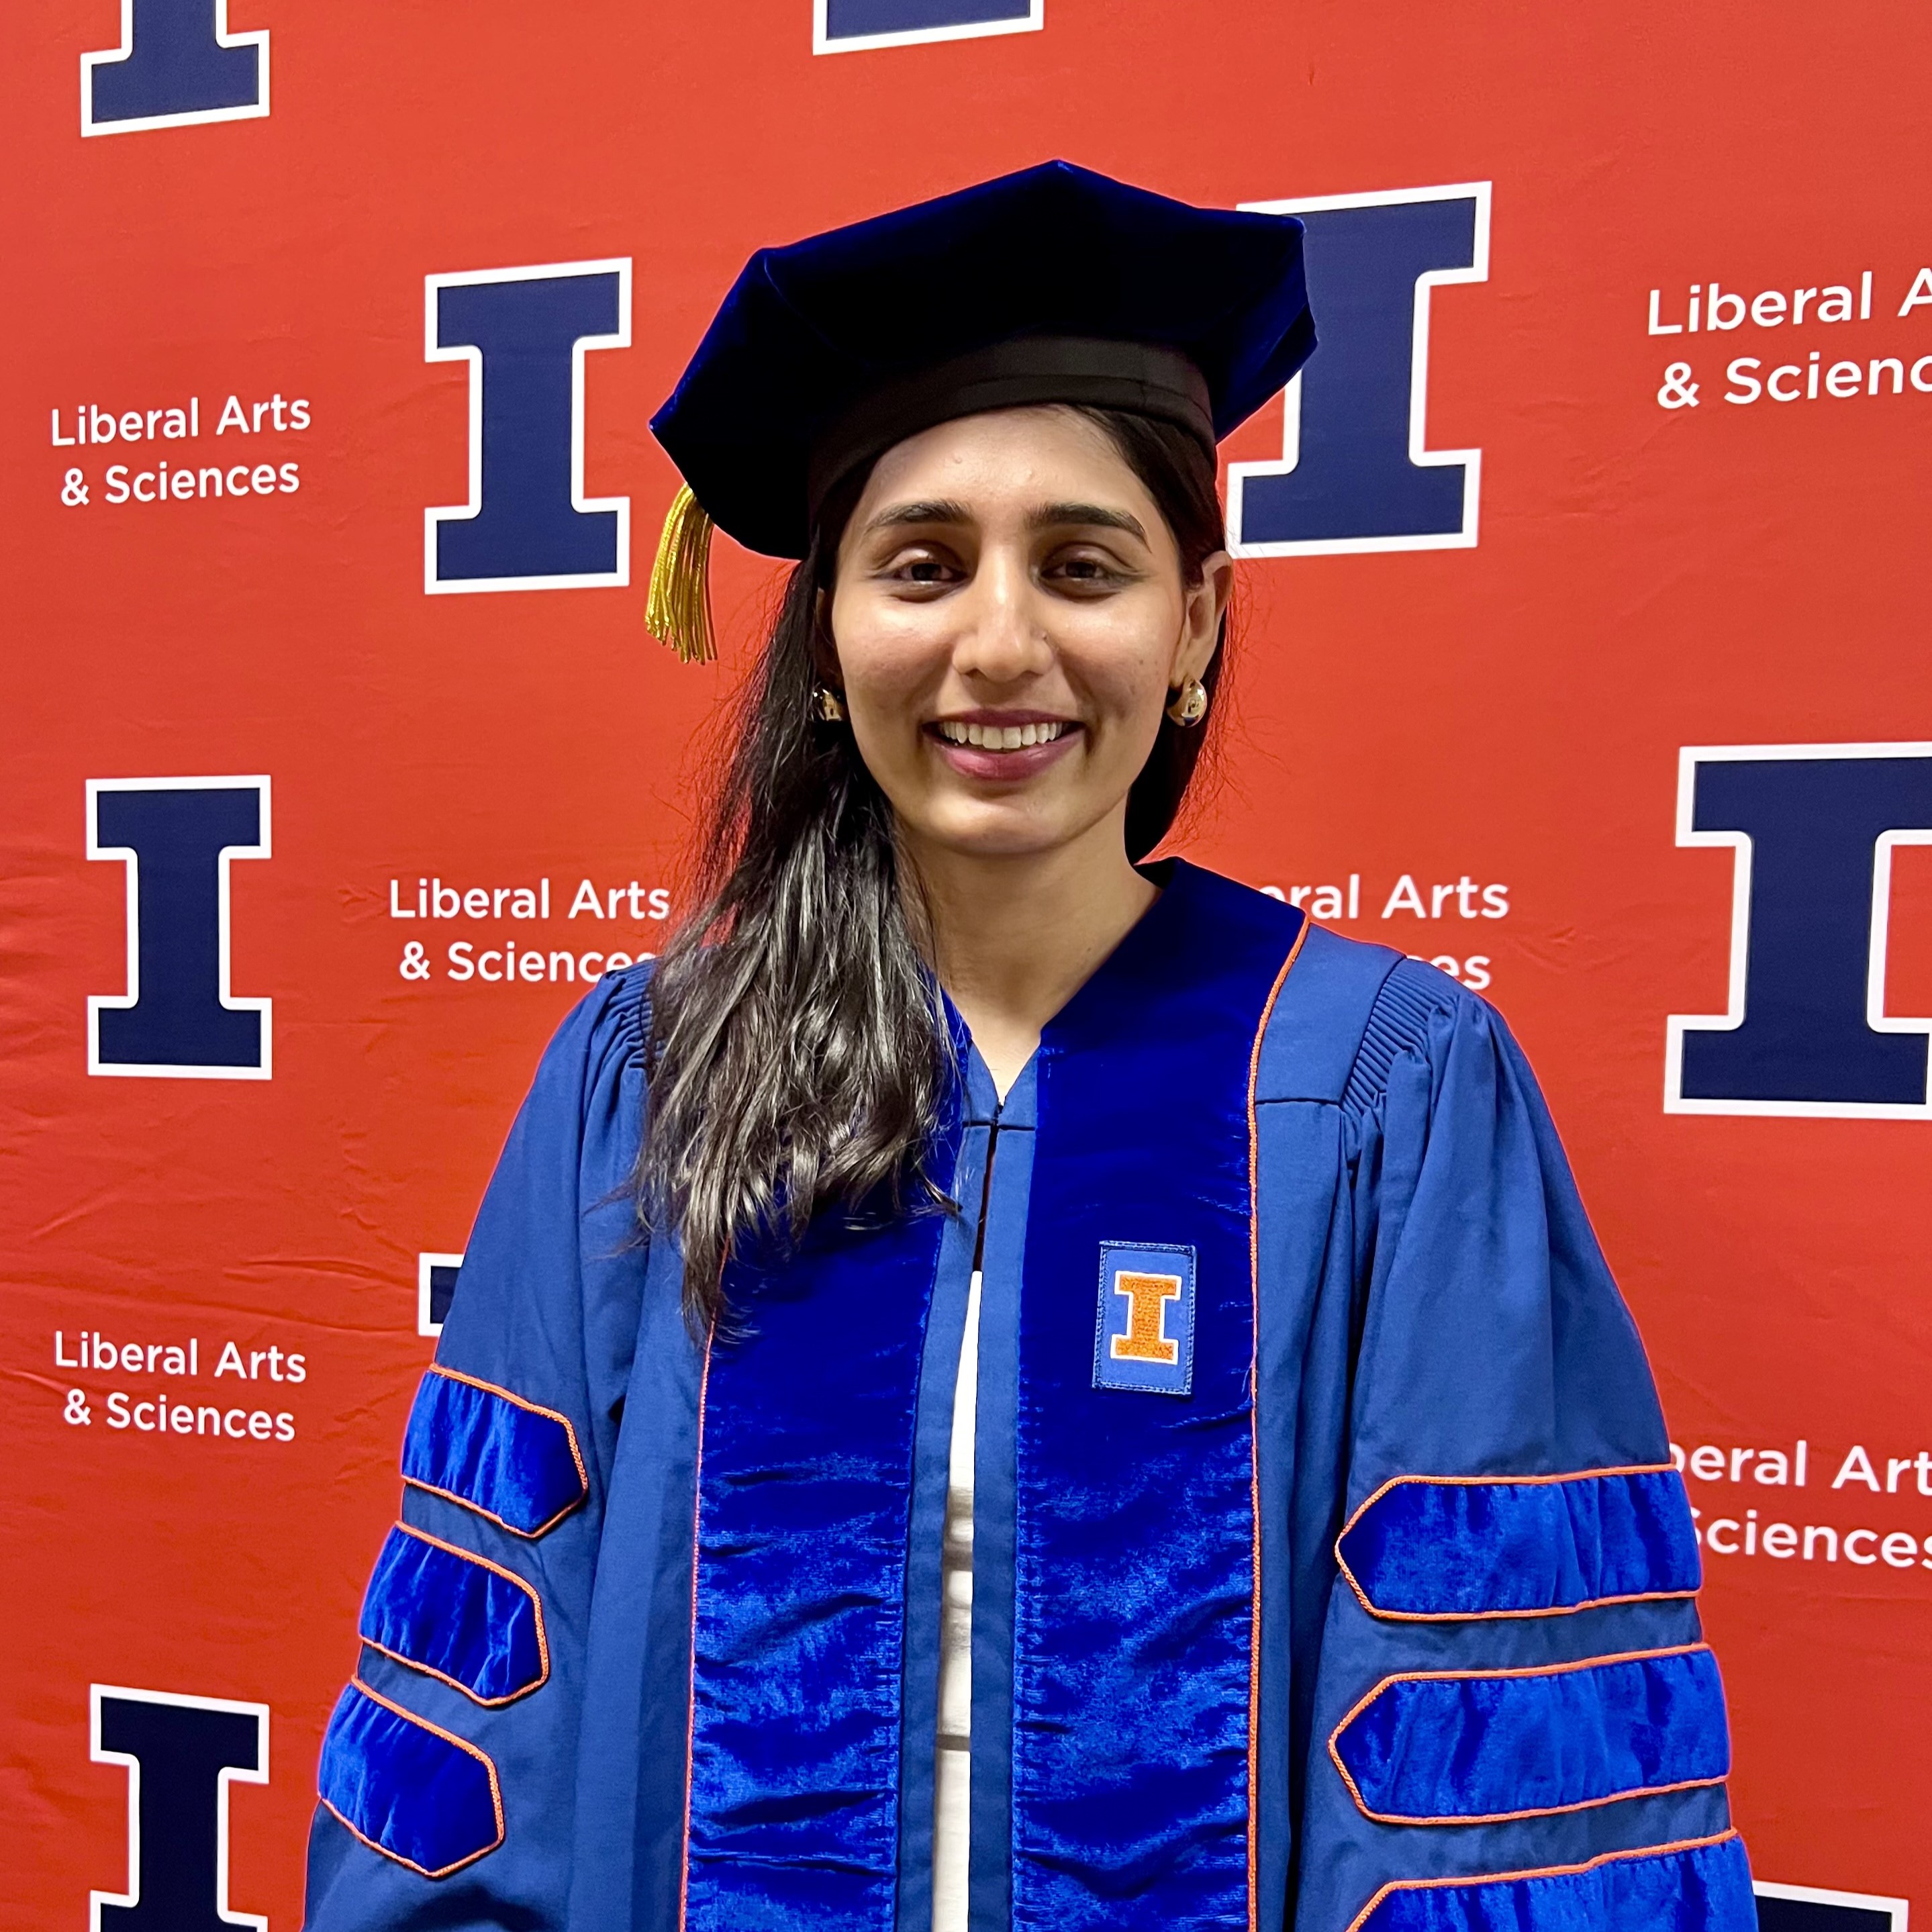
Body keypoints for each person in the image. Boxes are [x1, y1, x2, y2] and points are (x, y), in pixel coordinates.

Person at [303, 161, 1754, 1932]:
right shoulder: (652, 1076)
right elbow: (481, 1699)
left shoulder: (1385, 1088)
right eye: (920, 567)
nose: (1001, 644)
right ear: (829, 647)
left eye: (1084, 565)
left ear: (1194, 627)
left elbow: (1501, 1789)